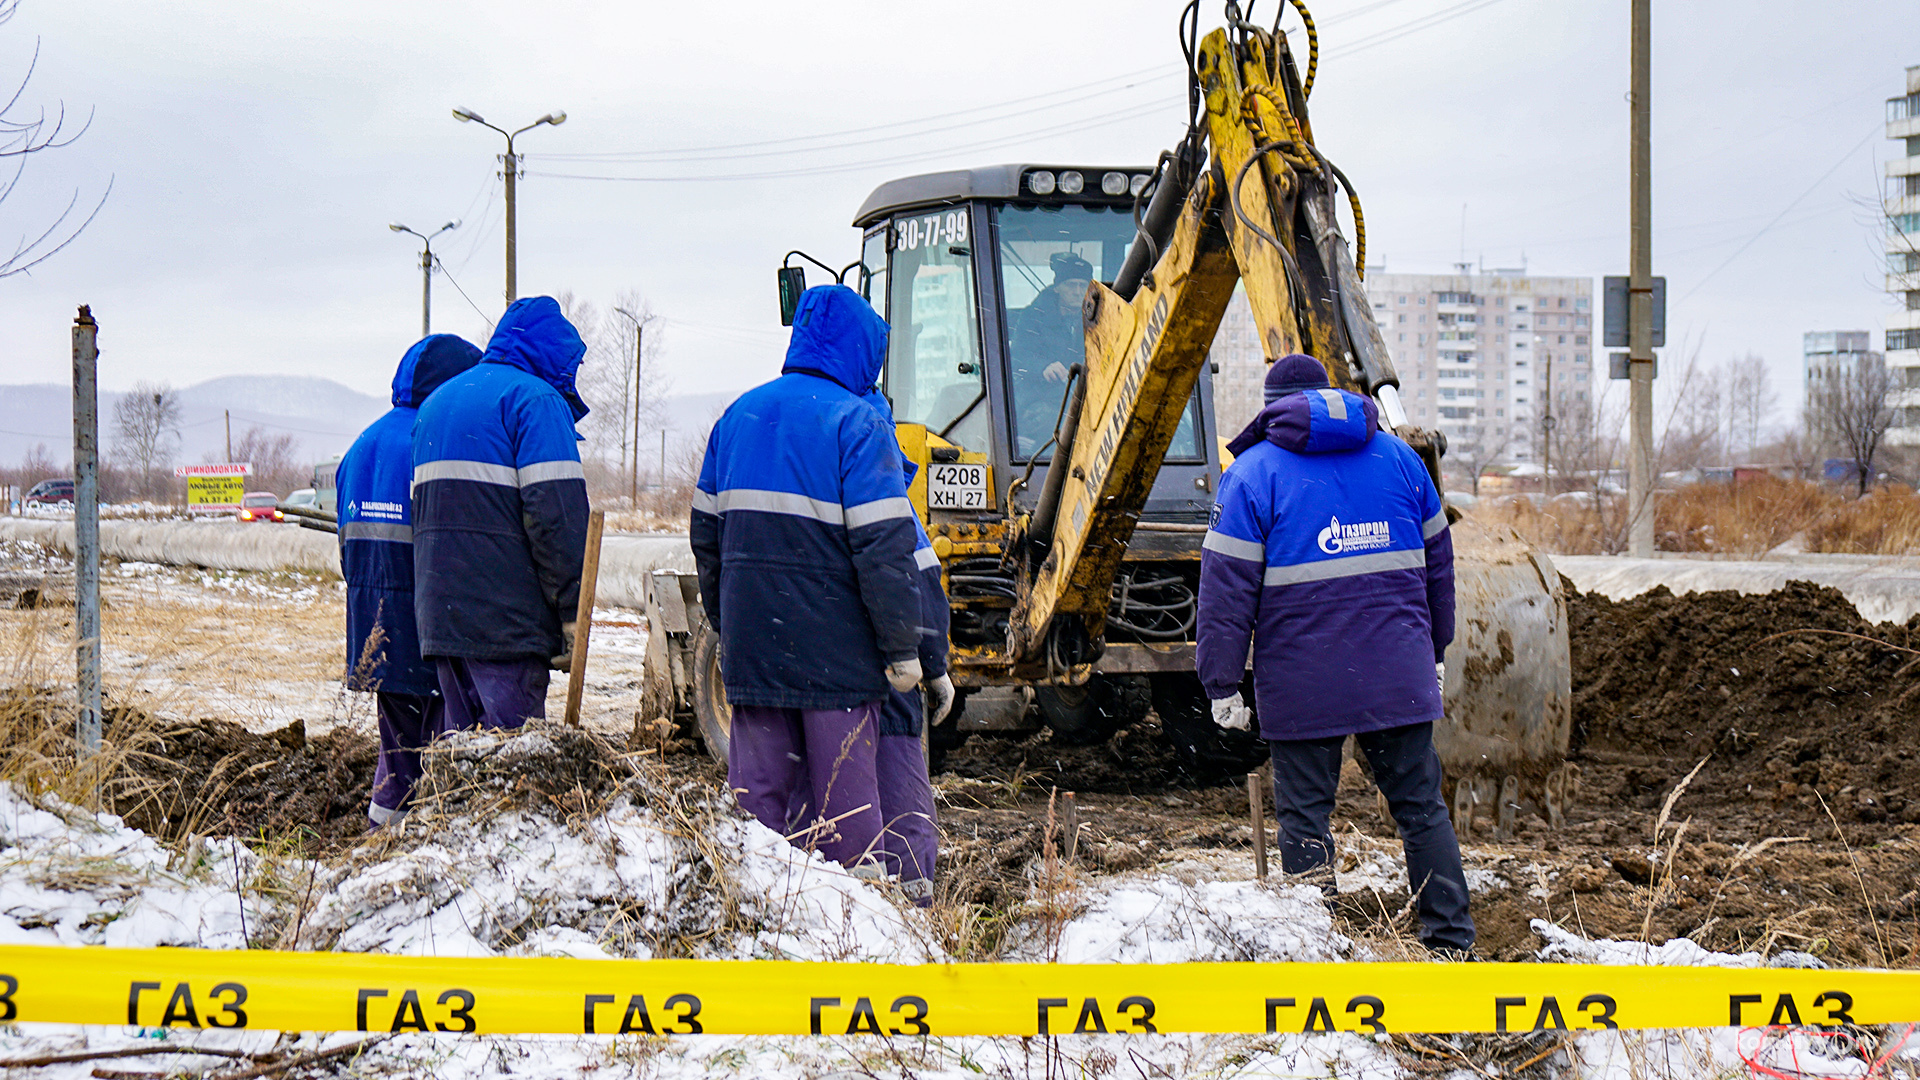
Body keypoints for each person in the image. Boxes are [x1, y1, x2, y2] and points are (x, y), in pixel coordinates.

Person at [1195, 353, 1473, 956]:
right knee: (1422, 810)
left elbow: (1224, 592)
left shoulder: (1251, 474)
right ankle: (1451, 945)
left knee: (1305, 822)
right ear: (1330, 394)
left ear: (1270, 409)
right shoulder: (1402, 460)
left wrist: (1220, 684)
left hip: (1304, 681)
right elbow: (1440, 568)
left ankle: (1314, 953)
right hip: (1399, 671)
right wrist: (1437, 649)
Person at [691, 283, 926, 878]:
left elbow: (706, 540)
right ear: (862, 352)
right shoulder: (857, 425)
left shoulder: (736, 419)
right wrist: (902, 648)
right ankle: (853, 947)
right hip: (838, 667)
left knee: (755, 822)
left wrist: (731, 625)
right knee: (848, 832)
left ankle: (753, 933)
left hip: (756, 661)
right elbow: (885, 550)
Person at [411, 296, 590, 732]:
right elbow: (557, 519)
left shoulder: (436, 404)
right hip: (506, 626)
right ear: (554, 353)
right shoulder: (537, 402)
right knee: (513, 769)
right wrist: (572, 610)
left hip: (441, 618)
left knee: (463, 766)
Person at [338, 333, 482, 826]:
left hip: (371, 621)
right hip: (428, 622)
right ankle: (428, 847)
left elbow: (346, 546)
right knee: (444, 747)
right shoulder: (434, 438)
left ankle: (379, 839)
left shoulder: (363, 444)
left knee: (396, 747)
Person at [861, 389, 955, 904]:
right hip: (893, 684)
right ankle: (914, 910)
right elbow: (922, 590)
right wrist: (935, 666)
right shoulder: (893, 505)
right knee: (902, 800)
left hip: (827, 685)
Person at [1007, 251, 1094, 454]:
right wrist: (1042, 367)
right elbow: (1017, 357)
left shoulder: (1096, 318)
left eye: (1083, 286)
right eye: (1072, 285)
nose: (1078, 291)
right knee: (1063, 428)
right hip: (1038, 398)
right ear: (1057, 288)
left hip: (1082, 397)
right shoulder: (1034, 317)